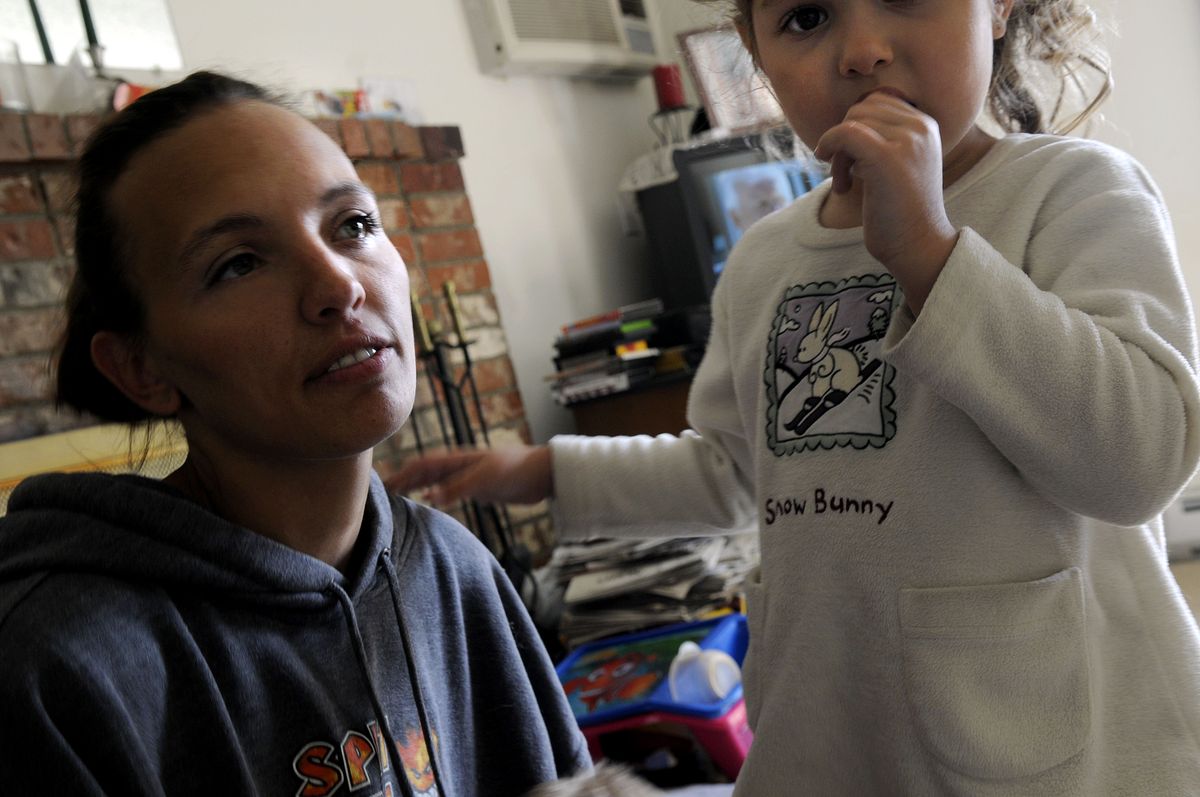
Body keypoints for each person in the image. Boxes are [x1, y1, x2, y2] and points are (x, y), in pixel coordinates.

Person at [389, 0, 1200, 793]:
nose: (862, 48)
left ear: (1000, 8)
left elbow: (1141, 461)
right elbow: (730, 471)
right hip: (831, 728)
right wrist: (543, 470)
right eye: (807, 17)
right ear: (753, 48)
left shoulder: (1073, 192)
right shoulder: (763, 262)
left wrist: (931, 252)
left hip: (1047, 740)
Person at [0, 71, 591, 797]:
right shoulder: (57, 668)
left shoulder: (454, 571)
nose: (339, 284)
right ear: (140, 368)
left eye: (354, 225)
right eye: (238, 264)